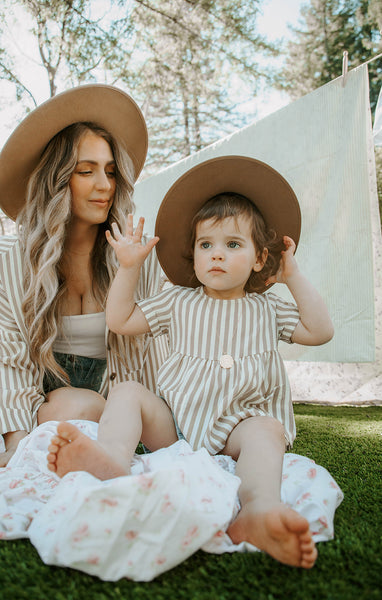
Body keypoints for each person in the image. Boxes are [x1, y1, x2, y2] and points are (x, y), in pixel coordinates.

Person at [47, 156, 334, 569]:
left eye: (232, 245)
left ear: (258, 260)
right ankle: (110, 456)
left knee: (266, 431)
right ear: (194, 256)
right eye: (206, 245)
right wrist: (129, 267)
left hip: (237, 428)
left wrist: (293, 277)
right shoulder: (178, 300)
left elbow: (320, 330)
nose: (216, 255)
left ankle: (257, 507)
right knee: (127, 391)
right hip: (177, 425)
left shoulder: (267, 307)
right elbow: (120, 320)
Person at [0, 84, 168, 467]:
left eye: (110, 171)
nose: (105, 186)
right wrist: (16, 443)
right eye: (85, 171)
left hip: (120, 403)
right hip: (37, 403)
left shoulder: (137, 256)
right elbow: (7, 359)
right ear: (57, 180)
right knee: (75, 405)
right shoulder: (11, 260)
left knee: (90, 405)